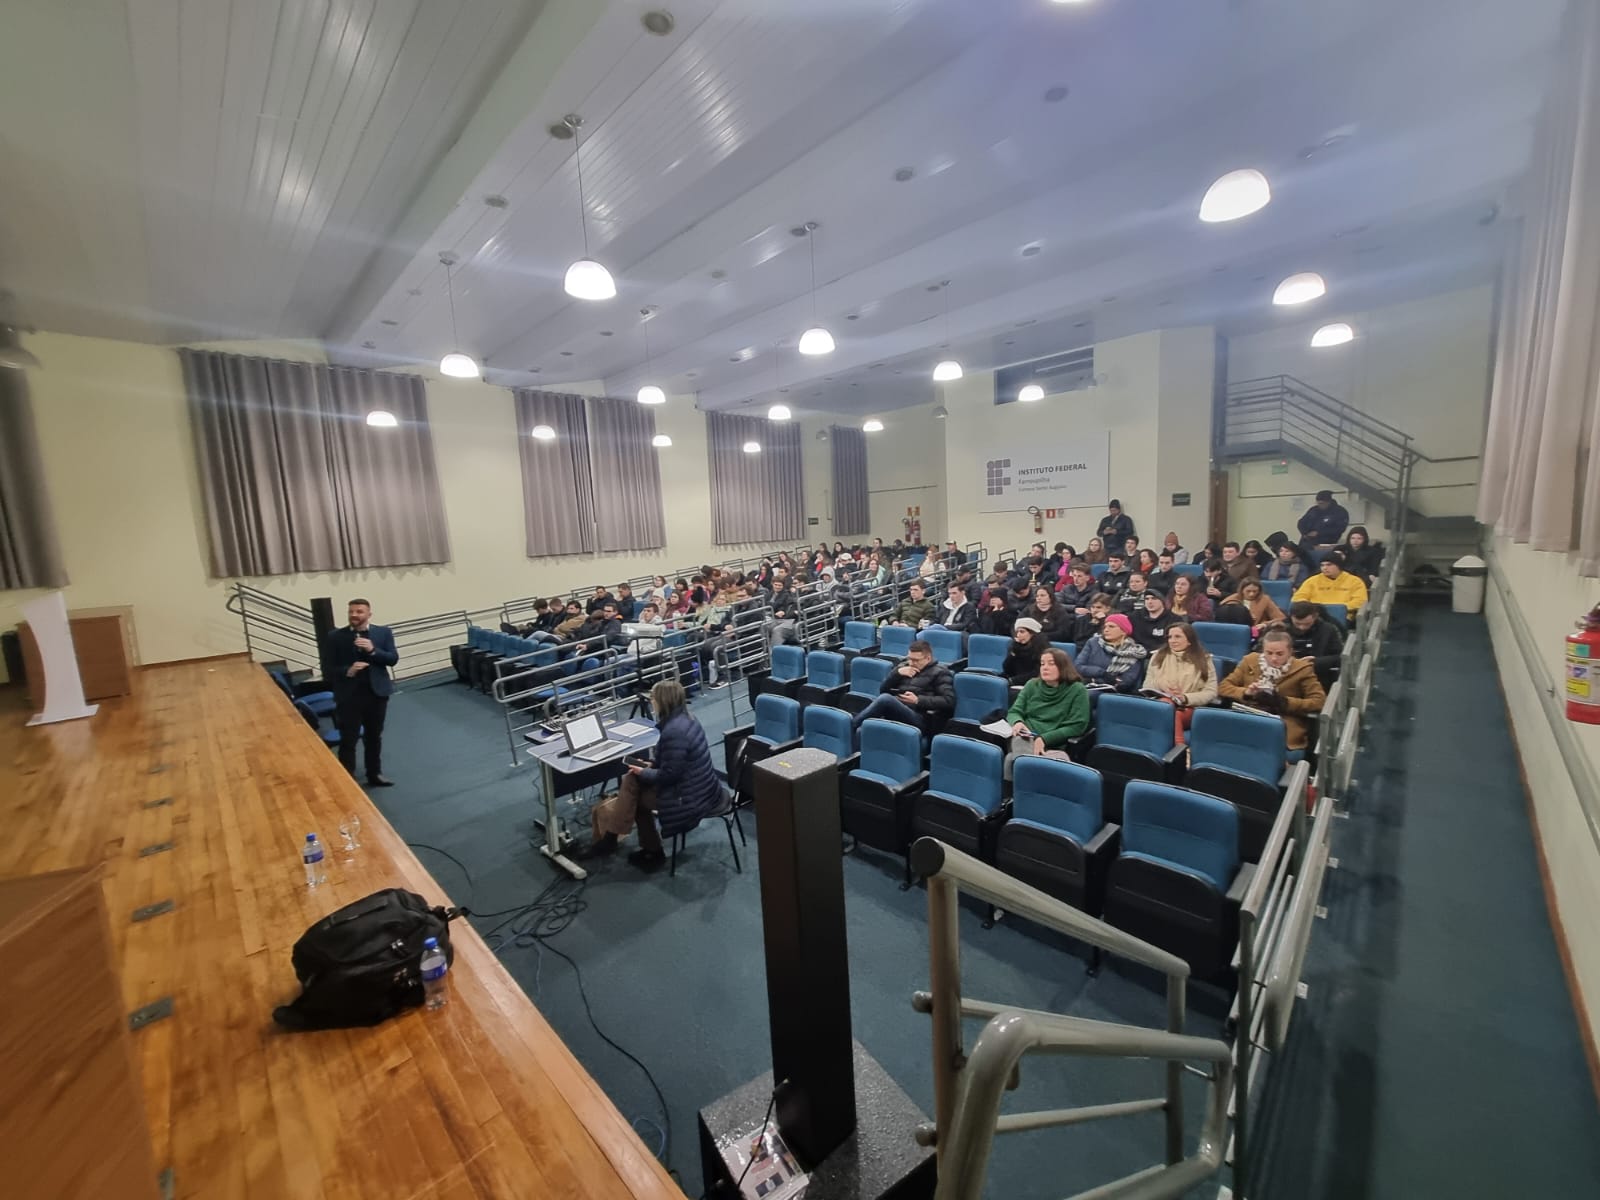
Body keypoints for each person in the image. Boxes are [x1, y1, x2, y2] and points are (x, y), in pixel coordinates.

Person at [583, 680, 723, 870]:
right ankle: (615, 839)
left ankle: (641, 848)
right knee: (631, 780)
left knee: (635, 797)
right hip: (701, 785)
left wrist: (645, 771)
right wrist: (651, 766)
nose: (651, 701)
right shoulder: (687, 718)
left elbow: (670, 775)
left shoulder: (674, 731)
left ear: (663, 701)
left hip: (689, 796)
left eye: (653, 698)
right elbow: (674, 761)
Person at [326, 598, 398, 787]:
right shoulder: (335, 636)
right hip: (349, 696)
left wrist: (373, 651)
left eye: (359, 612)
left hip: (376, 694)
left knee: (374, 737)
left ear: (368, 614)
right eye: (351, 611)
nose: (354, 615)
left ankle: (374, 774)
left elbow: (392, 659)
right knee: (348, 739)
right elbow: (329, 668)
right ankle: (347, 779)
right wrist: (347, 671)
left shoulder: (383, 633)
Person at [1219, 629, 1327, 756]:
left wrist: (1284, 702)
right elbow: (1223, 687)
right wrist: (1246, 693)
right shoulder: (1249, 661)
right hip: (1249, 713)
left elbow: (1319, 701)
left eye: (1280, 654)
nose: (1274, 658)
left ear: (1290, 652)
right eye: (1268, 653)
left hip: (1283, 719)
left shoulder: (1302, 669)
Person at [1004, 648, 1091, 778]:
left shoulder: (1077, 690)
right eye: (1042, 664)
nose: (1045, 668)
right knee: (1019, 741)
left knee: (1010, 759)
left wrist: (1044, 738)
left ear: (1063, 667)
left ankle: (1026, 777)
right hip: (1026, 736)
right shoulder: (1031, 685)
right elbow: (1014, 711)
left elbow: (1077, 725)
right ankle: (1032, 776)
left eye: (1051, 664)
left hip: (1054, 741)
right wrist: (1017, 722)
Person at [851, 639, 955, 733]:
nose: (911, 663)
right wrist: (897, 673)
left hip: (920, 717)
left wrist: (918, 700)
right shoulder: (904, 666)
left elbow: (949, 701)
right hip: (899, 709)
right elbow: (883, 689)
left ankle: (851, 726)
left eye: (916, 660)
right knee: (862, 730)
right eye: (910, 658)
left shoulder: (940, 672)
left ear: (928, 658)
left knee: (885, 699)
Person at [1144, 622, 1218, 741]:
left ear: (1189, 640)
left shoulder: (1204, 660)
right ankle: (1179, 749)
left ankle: (1177, 747)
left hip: (1189, 707)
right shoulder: (1158, 656)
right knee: (1166, 705)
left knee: (1172, 713)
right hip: (1161, 704)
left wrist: (1184, 698)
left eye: (1177, 637)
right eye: (1170, 637)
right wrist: (1163, 687)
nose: (1172, 641)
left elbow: (1211, 692)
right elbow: (1147, 684)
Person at [1074, 612, 1147, 691]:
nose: (1106, 630)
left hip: (1113, 690)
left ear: (1124, 631)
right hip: (1087, 684)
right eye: (1105, 627)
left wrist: (1096, 681)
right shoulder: (1093, 642)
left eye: (1111, 627)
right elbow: (1078, 666)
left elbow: (1127, 680)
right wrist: (1102, 673)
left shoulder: (1134, 652)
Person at [1287, 601, 1345, 687]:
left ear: (1315, 617)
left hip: (1319, 675)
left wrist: (1317, 661)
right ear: (1291, 617)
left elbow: (1340, 657)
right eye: (1297, 624)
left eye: (1307, 624)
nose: (1302, 627)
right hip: (1287, 675)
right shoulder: (1282, 628)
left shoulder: (1328, 630)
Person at [1293, 550, 1369, 613]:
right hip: (1316, 615)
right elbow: (1298, 598)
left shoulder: (1355, 581)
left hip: (1343, 615)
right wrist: (1312, 608)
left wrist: (1338, 609)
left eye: (1329, 565)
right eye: (1322, 565)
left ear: (1339, 566)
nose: (1324, 568)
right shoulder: (1312, 581)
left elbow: (1360, 601)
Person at [1220, 578, 1285, 634]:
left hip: (1259, 632)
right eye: (1248, 591)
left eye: (1255, 591)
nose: (1251, 594)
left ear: (1259, 591)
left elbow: (1280, 618)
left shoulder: (1265, 599)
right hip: (1235, 631)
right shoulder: (1231, 600)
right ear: (1242, 590)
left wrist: (1265, 624)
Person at [1004, 617, 1047, 686]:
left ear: (1032, 633)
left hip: (1031, 684)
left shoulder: (1042, 649)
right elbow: (1007, 669)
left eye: (1022, 632)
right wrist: (1014, 652)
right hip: (1014, 680)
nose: (1018, 635)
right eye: (1017, 632)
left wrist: (1013, 681)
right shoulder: (1016, 646)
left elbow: (1037, 673)